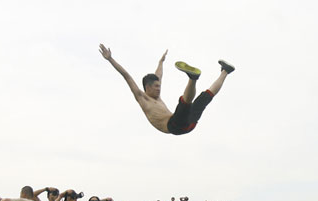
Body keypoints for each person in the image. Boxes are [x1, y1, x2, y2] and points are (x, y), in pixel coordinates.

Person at [99, 44, 235, 135]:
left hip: (189, 124)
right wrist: (110, 59)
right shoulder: (142, 97)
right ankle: (192, 78)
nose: (159, 89)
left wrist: (161, 62)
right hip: (174, 125)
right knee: (184, 104)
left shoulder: (157, 95)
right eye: (156, 87)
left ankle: (225, 71)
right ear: (147, 87)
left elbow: (159, 74)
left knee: (204, 97)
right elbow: (126, 76)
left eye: (160, 86)